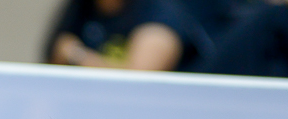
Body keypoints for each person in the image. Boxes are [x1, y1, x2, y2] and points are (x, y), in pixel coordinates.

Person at [46, 0, 213, 71]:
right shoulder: (81, 9)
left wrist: (78, 56)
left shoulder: (157, 14)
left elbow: (136, 83)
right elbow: (53, 61)